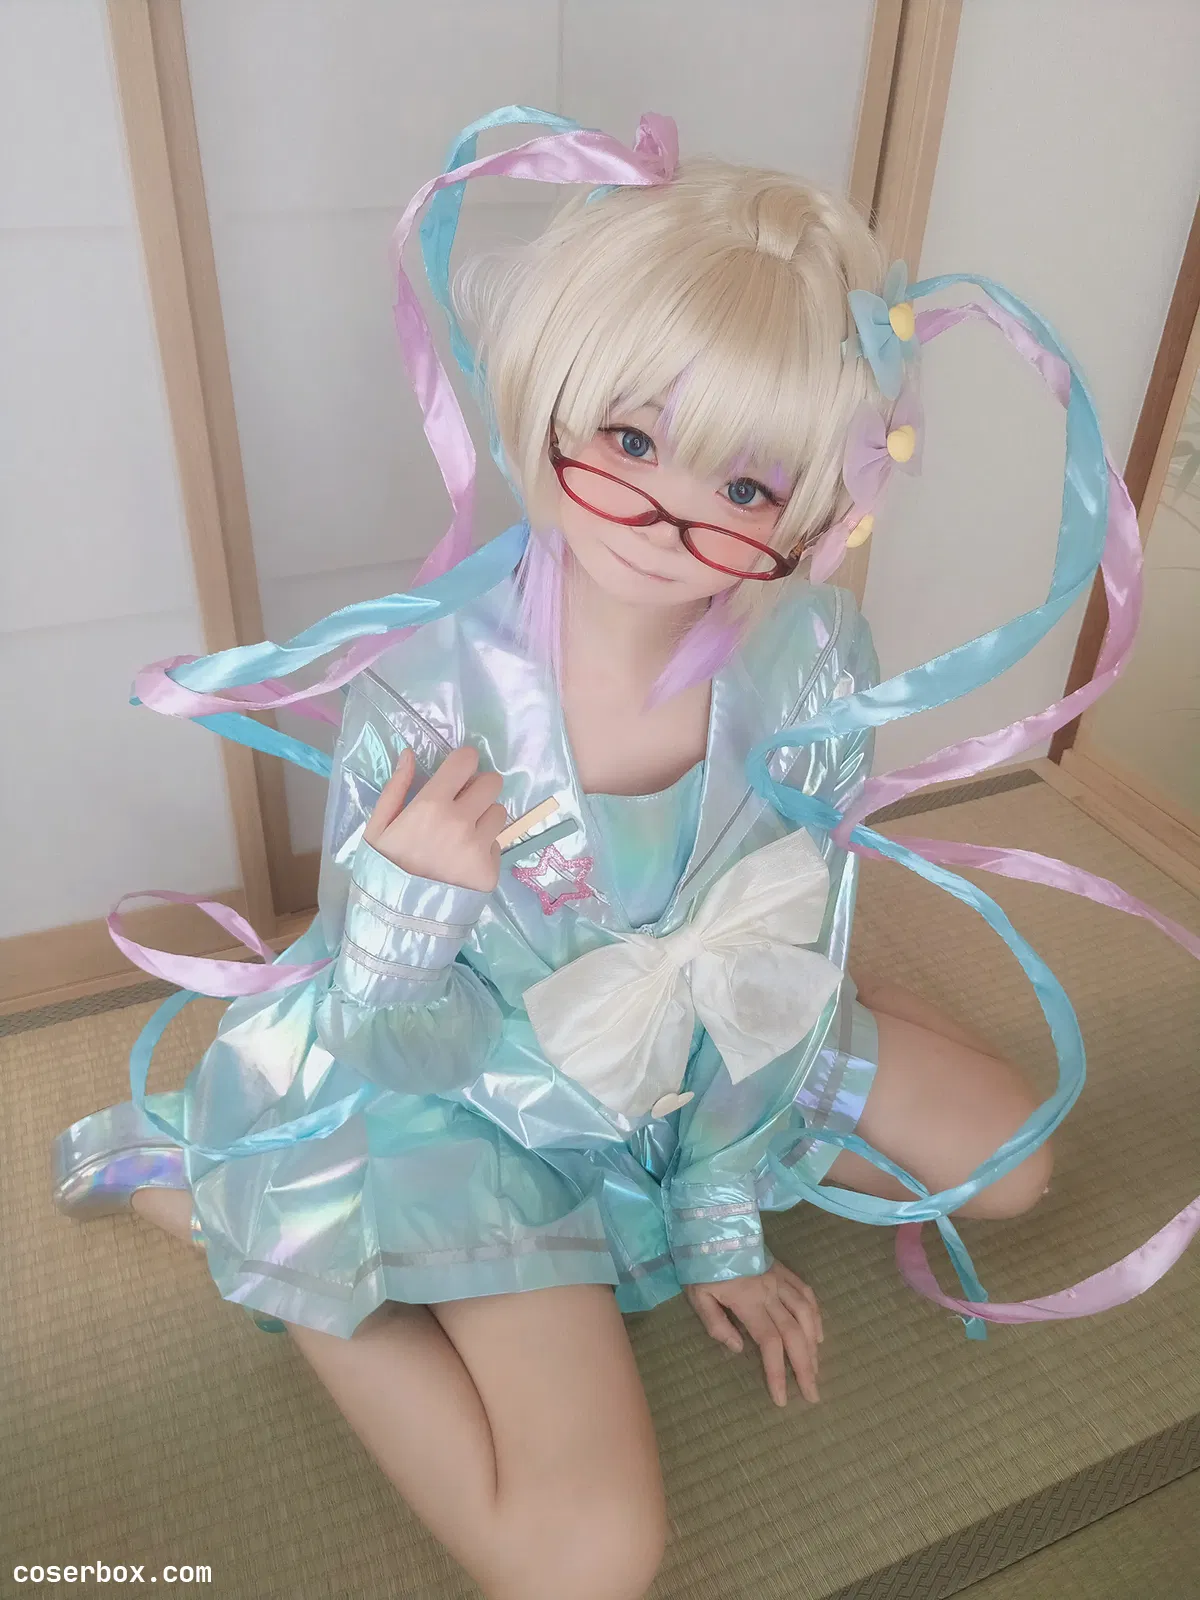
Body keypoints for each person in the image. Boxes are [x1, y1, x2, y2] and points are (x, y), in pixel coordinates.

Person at [51, 109, 1194, 1600]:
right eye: (634, 441)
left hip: (710, 1051)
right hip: (472, 1094)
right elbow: (391, 1032)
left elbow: (782, 941)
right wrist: (405, 916)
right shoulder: (427, 689)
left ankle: (721, 1154)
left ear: (816, 509)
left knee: (1017, 1176)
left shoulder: (813, 657)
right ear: (555, 403)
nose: (666, 517)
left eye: (745, 488)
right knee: (584, 1562)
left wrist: (719, 1215)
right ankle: (257, 1232)